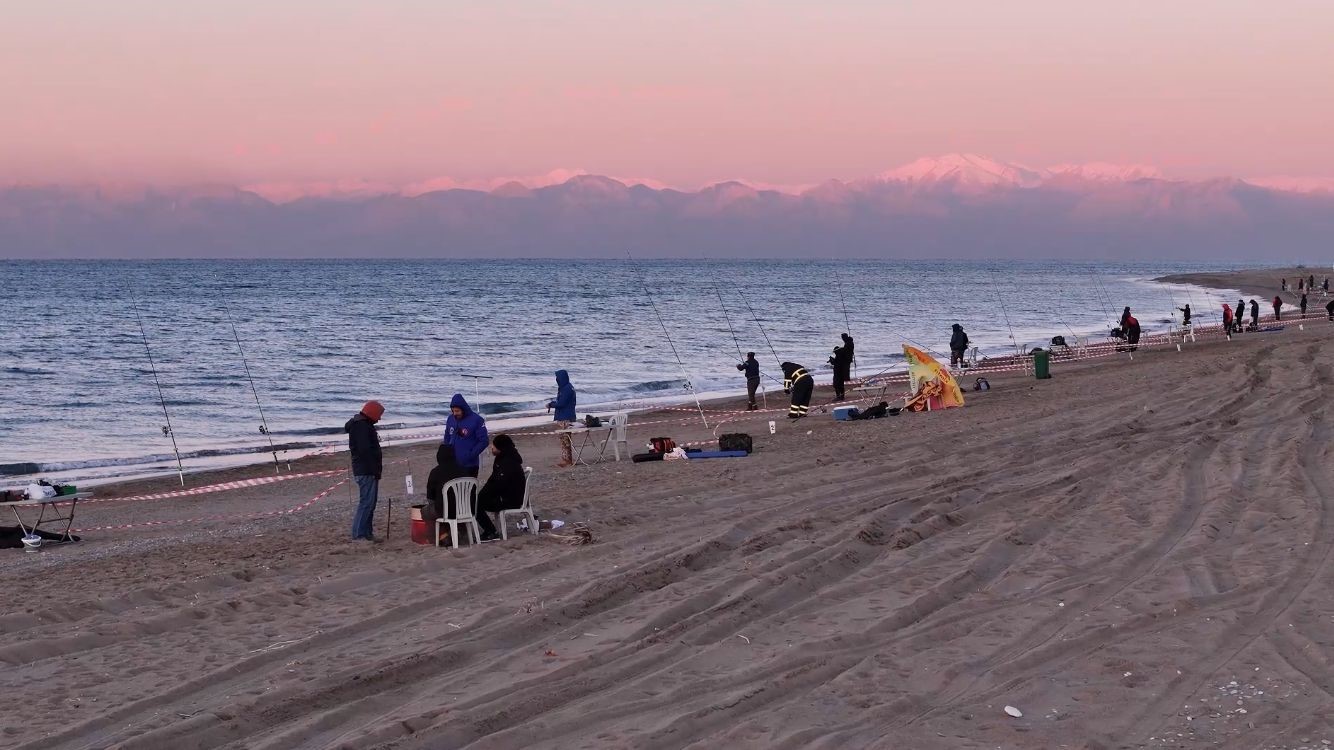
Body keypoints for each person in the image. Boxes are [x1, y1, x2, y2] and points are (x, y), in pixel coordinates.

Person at [475, 434, 528, 541]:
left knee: (475, 504)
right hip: (507, 496)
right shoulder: (505, 458)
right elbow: (494, 480)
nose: (491, 447)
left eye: (494, 446)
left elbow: (499, 484)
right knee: (478, 500)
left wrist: (484, 495)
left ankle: (491, 531)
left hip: (510, 500)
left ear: (500, 447)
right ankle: (490, 530)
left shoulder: (507, 462)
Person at [345, 400, 384, 542]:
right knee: (366, 503)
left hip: (368, 469)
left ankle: (367, 533)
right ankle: (359, 534)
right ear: (371, 412)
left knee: (370, 503)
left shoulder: (363, 425)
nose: (379, 419)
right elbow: (365, 450)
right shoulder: (361, 426)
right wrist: (374, 469)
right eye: (378, 415)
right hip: (366, 470)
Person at [443, 393, 488, 478]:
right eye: (453, 411)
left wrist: (471, 455)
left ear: (463, 409)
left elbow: (484, 441)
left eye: (457, 411)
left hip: (470, 465)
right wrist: (446, 451)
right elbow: (447, 435)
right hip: (453, 463)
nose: (455, 413)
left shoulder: (477, 420)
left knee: (469, 486)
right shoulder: (450, 419)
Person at [425, 443, 470, 524]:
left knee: (424, 512)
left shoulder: (435, 472)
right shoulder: (463, 470)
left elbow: (430, 497)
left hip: (444, 512)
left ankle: (442, 530)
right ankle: (460, 527)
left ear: (439, 456)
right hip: (465, 510)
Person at [547, 369, 576, 467]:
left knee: (565, 439)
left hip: (565, 417)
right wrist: (552, 404)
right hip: (566, 416)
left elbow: (561, 403)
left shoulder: (566, 389)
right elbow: (561, 402)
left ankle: (567, 460)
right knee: (565, 439)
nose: (556, 379)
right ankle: (567, 459)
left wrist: (551, 404)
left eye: (557, 378)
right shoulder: (567, 387)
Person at [828, 333, 854, 401]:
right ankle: (842, 397)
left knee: (836, 385)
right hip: (842, 371)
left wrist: (832, 361)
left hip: (838, 373)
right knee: (841, 384)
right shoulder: (845, 349)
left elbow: (836, 363)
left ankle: (838, 396)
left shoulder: (840, 355)